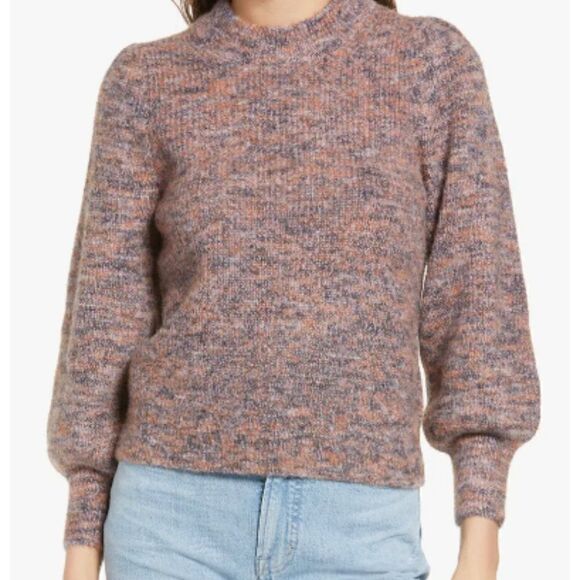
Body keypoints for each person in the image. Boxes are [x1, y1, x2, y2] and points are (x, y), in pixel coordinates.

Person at [46, 0, 541, 578]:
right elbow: (105, 316)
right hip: (169, 525)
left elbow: (479, 297)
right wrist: (81, 542)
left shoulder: (428, 62)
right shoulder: (146, 79)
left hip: (358, 528)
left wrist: (480, 537)